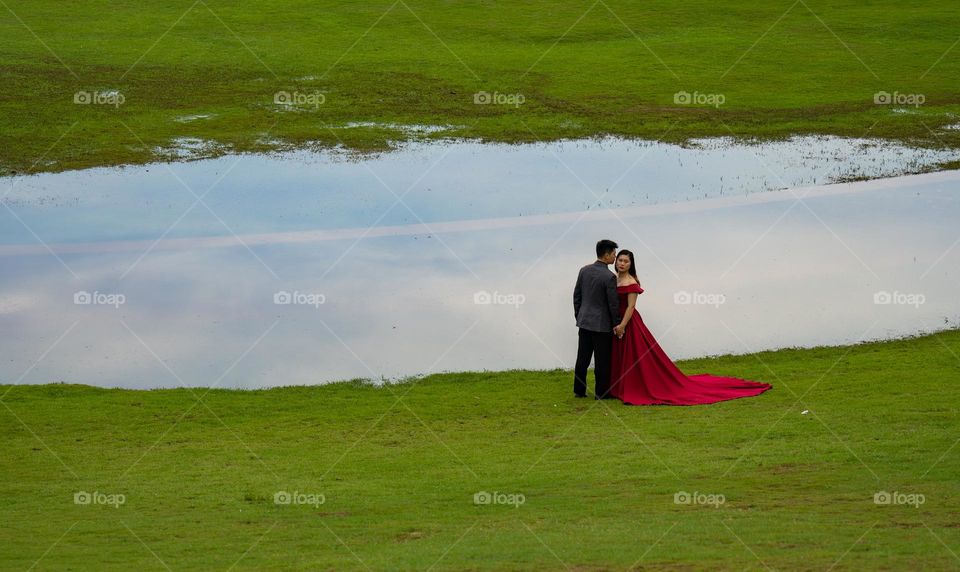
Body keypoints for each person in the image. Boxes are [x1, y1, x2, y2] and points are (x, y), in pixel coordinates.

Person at [609, 249, 772, 405]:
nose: (622, 263)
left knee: (635, 356)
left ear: (631, 264)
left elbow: (631, 307)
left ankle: (635, 387)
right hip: (617, 321)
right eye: (620, 260)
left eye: (626, 261)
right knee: (621, 355)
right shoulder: (614, 279)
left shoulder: (631, 282)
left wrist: (623, 325)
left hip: (629, 322)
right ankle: (619, 386)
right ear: (616, 262)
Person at [573, 239, 620, 399]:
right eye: (613, 254)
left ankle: (579, 390)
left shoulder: (583, 270)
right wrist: (617, 324)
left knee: (582, 358)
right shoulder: (609, 277)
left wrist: (579, 315)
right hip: (602, 325)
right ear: (606, 255)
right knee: (602, 361)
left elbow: (577, 296)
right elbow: (613, 305)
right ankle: (601, 393)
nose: (615, 257)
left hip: (584, 321)